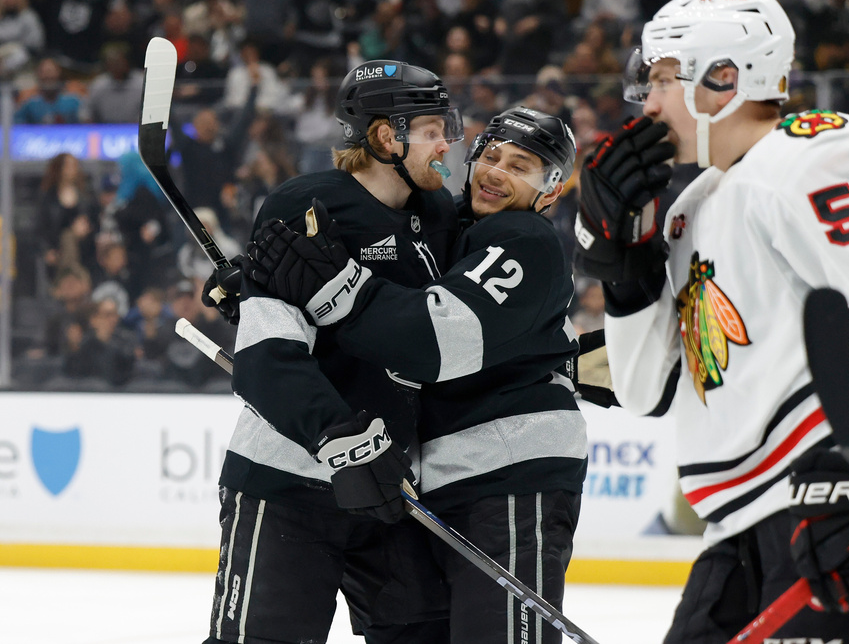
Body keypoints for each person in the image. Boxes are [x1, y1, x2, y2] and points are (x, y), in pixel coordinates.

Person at [573, 0, 849, 644]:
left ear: (724, 78)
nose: (646, 104)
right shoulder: (687, 211)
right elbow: (648, 389)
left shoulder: (819, 152)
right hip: (744, 517)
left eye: (661, 79)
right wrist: (626, 272)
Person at [244, 106, 587, 643]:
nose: (497, 171)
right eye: (491, 156)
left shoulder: (525, 240)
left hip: (514, 475)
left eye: (521, 166)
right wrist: (261, 285)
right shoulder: (443, 226)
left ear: (552, 189)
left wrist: (331, 287)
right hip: (445, 482)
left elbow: (428, 342)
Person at [200, 60, 463, 644]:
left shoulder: (439, 213)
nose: (447, 141)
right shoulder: (307, 207)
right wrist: (337, 435)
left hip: (392, 487)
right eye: (432, 129)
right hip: (289, 480)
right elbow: (267, 357)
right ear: (385, 136)